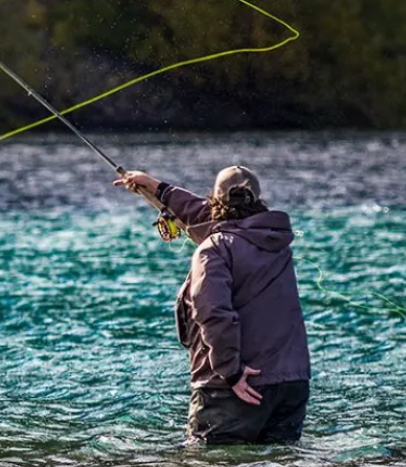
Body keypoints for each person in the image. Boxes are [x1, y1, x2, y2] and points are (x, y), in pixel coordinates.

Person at [113, 166, 311, 445]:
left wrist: (231, 372)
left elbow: (214, 312)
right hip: (291, 385)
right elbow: (205, 218)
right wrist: (155, 187)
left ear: (215, 202)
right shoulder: (275, 242)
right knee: (282, 459)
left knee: (209, 460)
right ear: (258, 201)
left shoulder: (215, 248)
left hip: (233, 389)